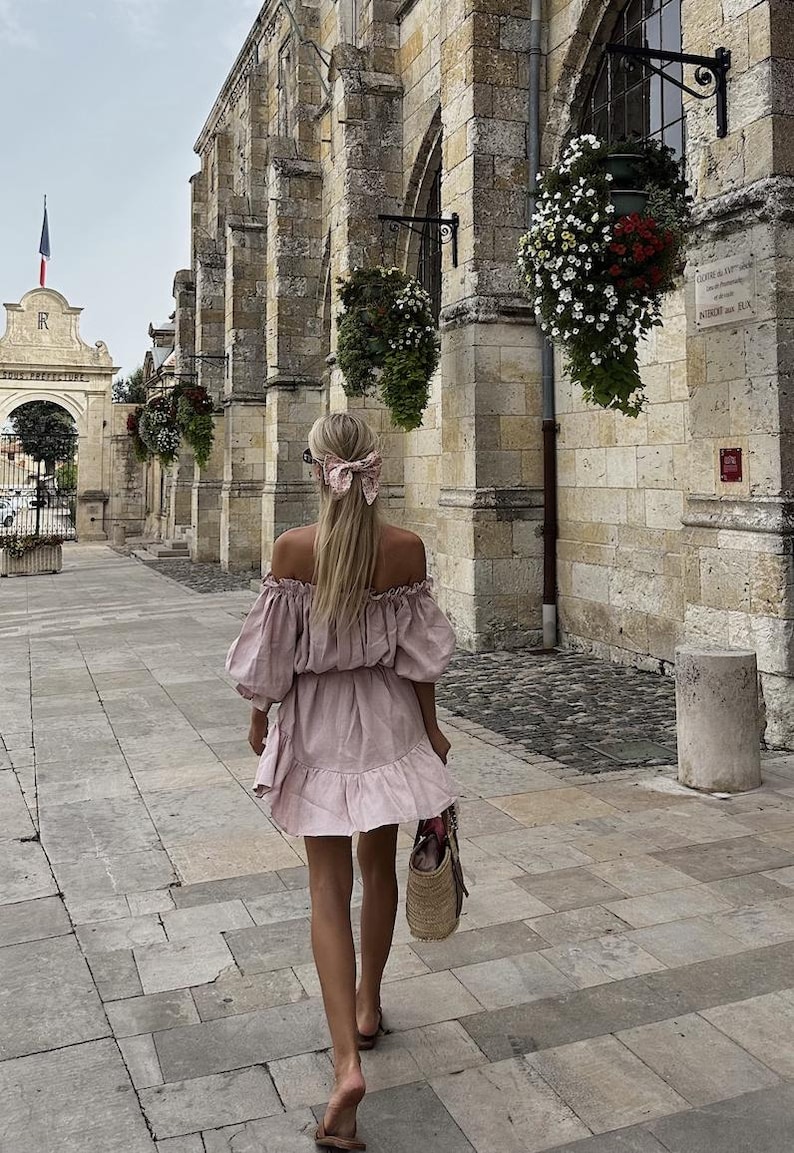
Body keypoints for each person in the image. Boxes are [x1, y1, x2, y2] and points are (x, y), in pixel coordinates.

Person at [226, 412, 457, 1151]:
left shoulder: (295, 549)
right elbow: (419, 659)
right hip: (387, 717)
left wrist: (262, 716)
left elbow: (272, 656)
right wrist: (432, 728)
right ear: (372, 468)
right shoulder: (406, 548)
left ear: (317, 467)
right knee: (376, 864)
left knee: (326, 886)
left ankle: (347, 1066)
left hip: (320, 720)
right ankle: (369, 1004)